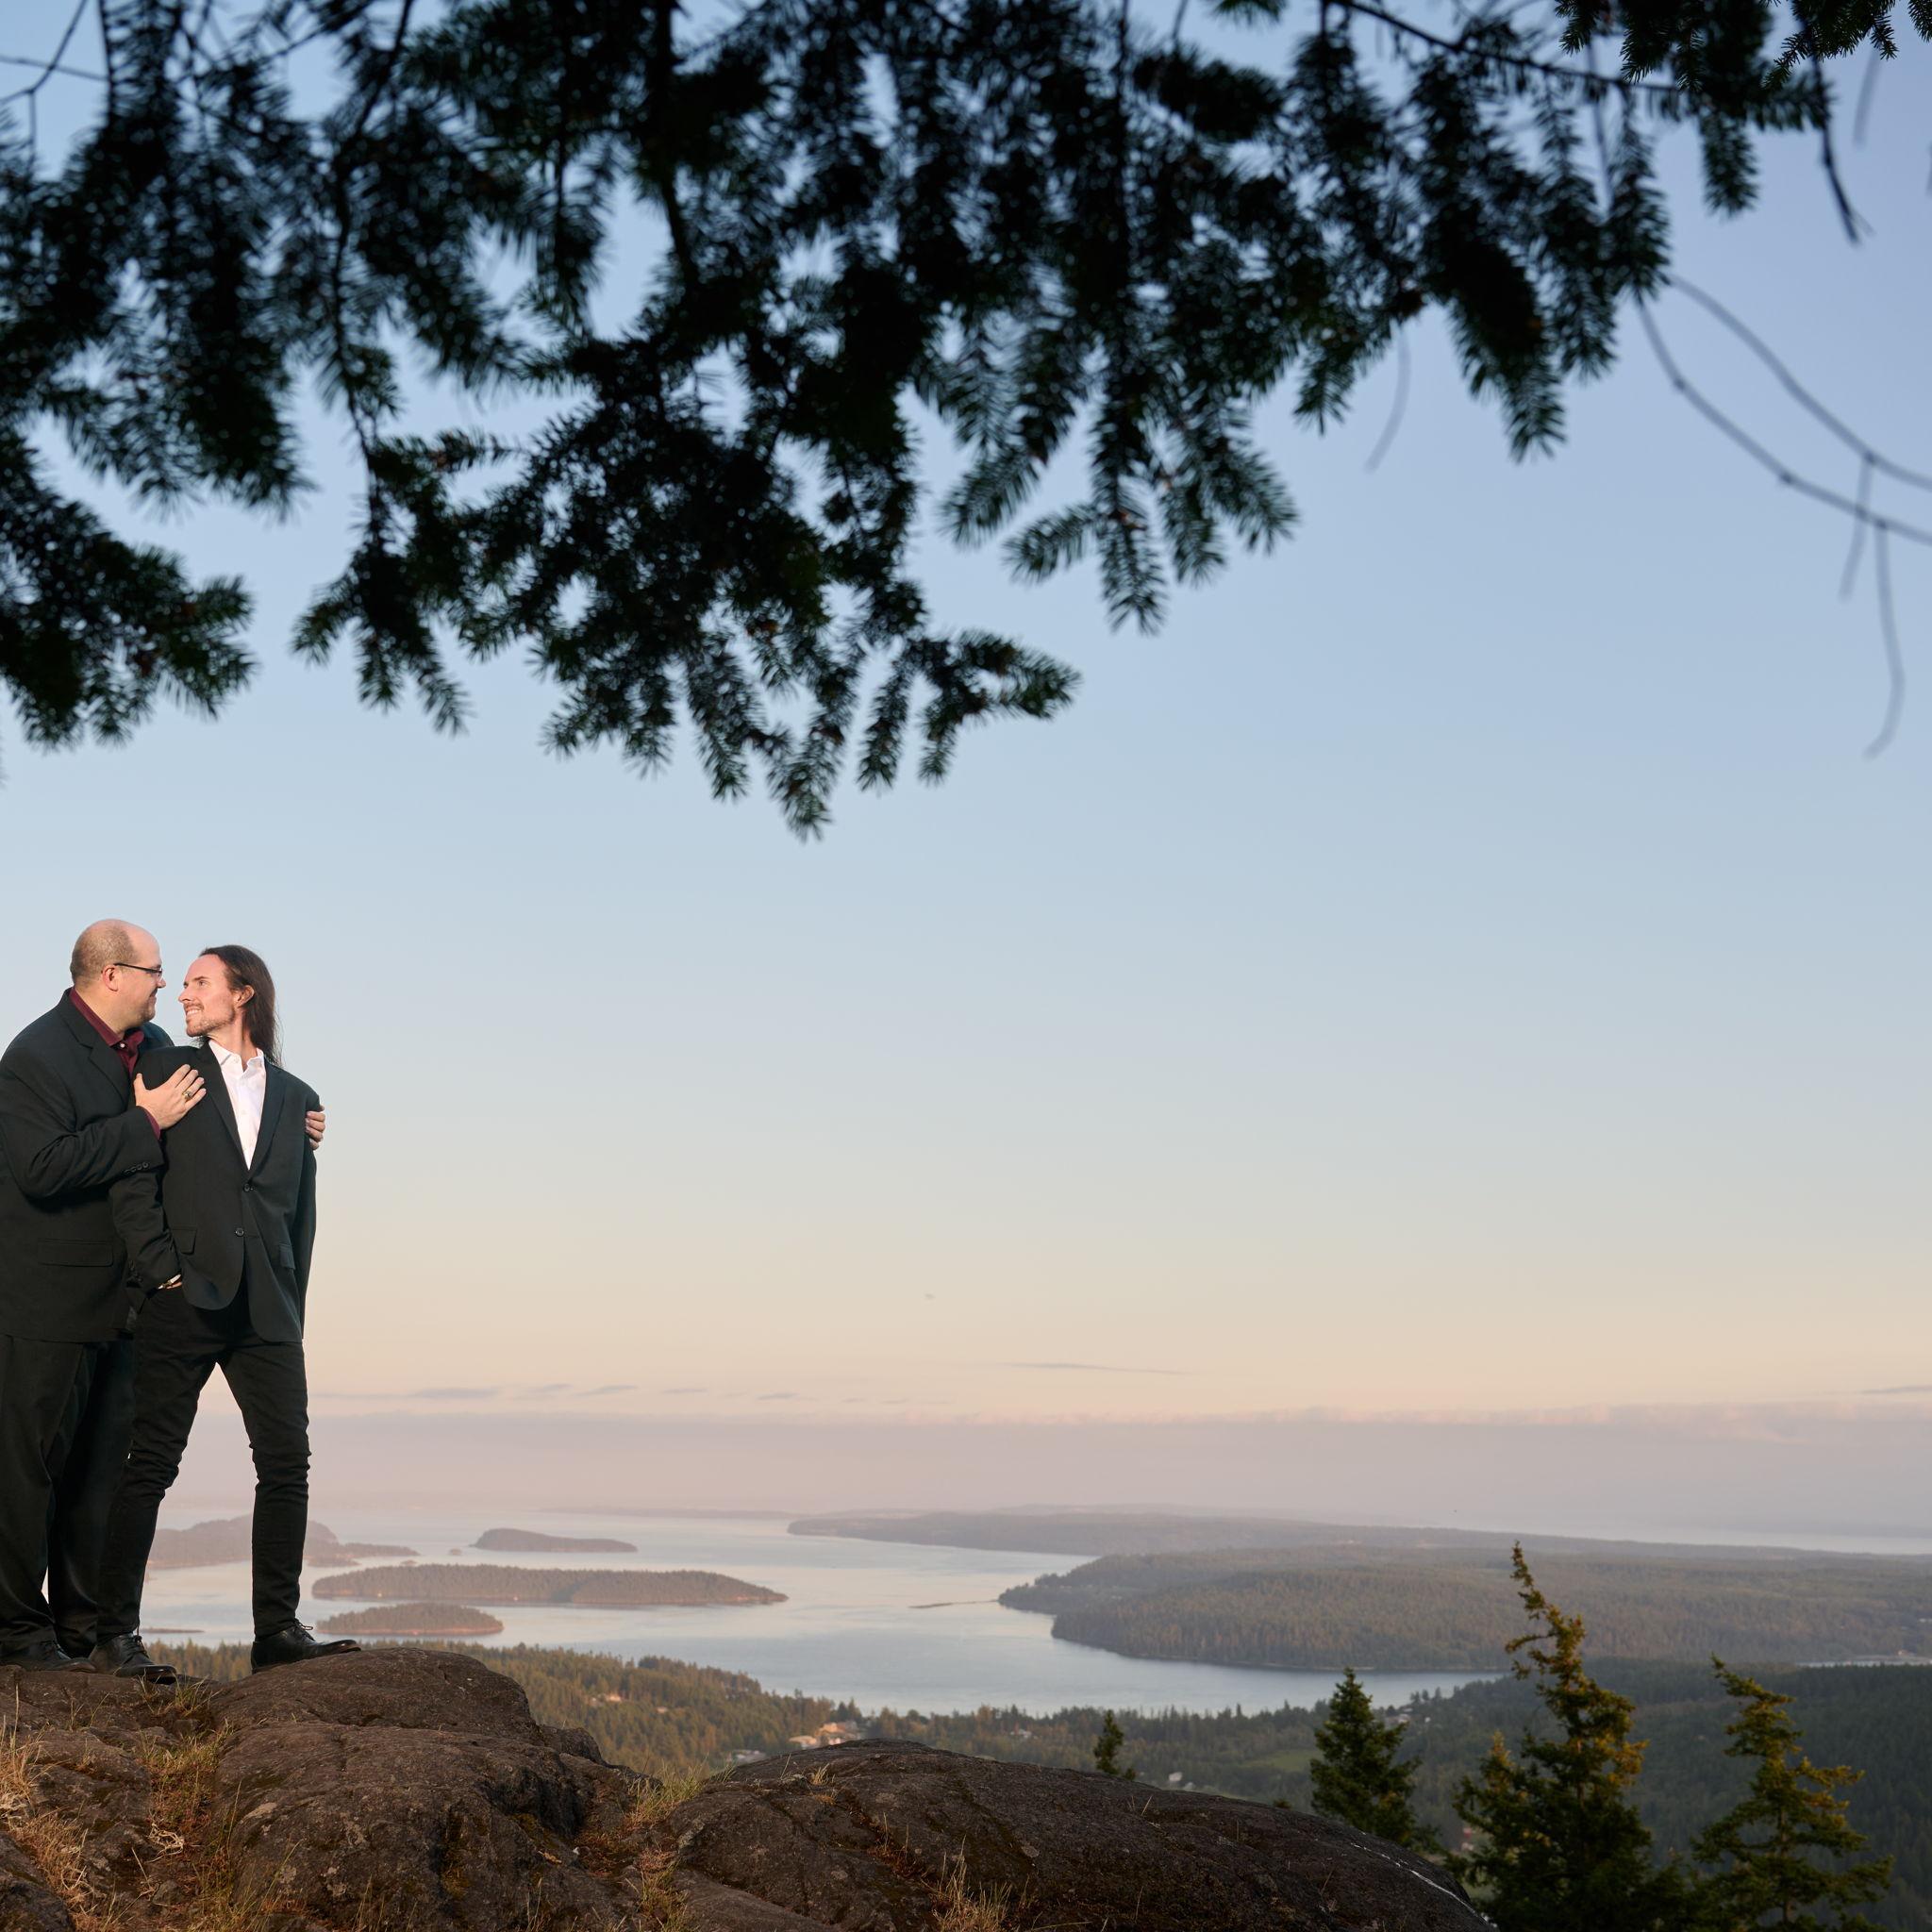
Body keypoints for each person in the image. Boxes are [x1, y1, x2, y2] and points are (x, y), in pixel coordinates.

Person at [94, 945, 357, 1679]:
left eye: (198, 983)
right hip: (184, 1300)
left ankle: (276, 1632)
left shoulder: (300, 1097)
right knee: (149, 1465)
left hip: (268, 1309)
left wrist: (292, 1294)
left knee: (286, 1466)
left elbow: (298, 1210)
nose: (183, 995)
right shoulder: (165, 1071)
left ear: (243, 994)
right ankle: (115, 1636)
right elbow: (133, 1182)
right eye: (178, 986)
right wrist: (161, 1274)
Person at [0, 921, 208, 1668]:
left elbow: (226, 1109)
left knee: (102, 1479)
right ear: (111, 974)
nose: (166, 983)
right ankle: (19, 1636)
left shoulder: (155, 1052)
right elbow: (42, 1169)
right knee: (29, 1473)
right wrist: (143, 1122)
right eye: (155, 971)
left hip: (130, 1302)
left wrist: (298, 1117)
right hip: (44, 1302)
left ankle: (84, 1636)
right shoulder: (34, 1056)